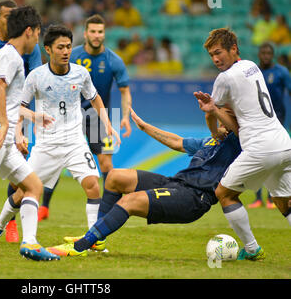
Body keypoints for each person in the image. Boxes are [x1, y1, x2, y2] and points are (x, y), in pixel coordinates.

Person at [0, 24, 121, 250]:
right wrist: (19, 133)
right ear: (48, 49)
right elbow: (18, 107)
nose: (66, 51)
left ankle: (94, 240)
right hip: (46, 146)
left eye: (69, 47)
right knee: (22, 191)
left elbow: (94, 98)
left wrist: (108, 124)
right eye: (60, 47)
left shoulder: (80, 73)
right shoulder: (36, 76)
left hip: (74, 142)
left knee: (93, 184)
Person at [46, 107, 242, 257]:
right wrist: (144, 126)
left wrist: (215, 111)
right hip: (175, 183)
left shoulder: (238, 144)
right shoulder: (210, 141)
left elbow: (226, 122)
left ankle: (81, 246)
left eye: (226, 117)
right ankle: (97, 239)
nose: (221, 121)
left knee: (129, 201)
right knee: (114, 177)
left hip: (193, 199)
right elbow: (176, 142)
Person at [0, 5, 59, 261]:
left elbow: (9, 100)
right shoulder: (12, 57)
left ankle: (28, 242)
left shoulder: (11, 55)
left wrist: (32, 117)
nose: (38, 39)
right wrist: (7, 125)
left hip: (2, 135)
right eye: (38, 33)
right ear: (29, 31)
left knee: (33, 186)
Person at [194, 28, 291, 261]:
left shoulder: (224, 78)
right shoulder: (251, 66)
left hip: (261, 148)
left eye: (219, 53)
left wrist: (214, 128)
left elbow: (211, 114)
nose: (216, 59)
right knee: (283, 202)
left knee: (224, 193)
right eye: (211, 55)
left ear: (233, 49)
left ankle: (251, 249)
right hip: (283, 143)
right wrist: (218, 110)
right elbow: (240, 125)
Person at [37, 14, 133, 222]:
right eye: (93, 31)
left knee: (106, 165)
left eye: (100, 31)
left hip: (98, 117)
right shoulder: (72, 54)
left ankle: (106, 209)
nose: (97, 35)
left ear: (104, 33)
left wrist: (125, 116)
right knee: (56, 164)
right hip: (69, 117)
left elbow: (125, 90)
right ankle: (43, 207)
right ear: (86, 33)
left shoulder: (113, 60)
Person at [248, 42, 291, 209]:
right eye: (263, 53)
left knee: (274, 158)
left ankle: (272, 197)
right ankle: (258, 198)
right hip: (257, 120)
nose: (265, 56)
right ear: (259, 54)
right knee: (258, 157)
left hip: (277, 120)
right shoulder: (253, 72)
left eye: (268, 53)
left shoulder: (281, 72)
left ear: (272, 55)